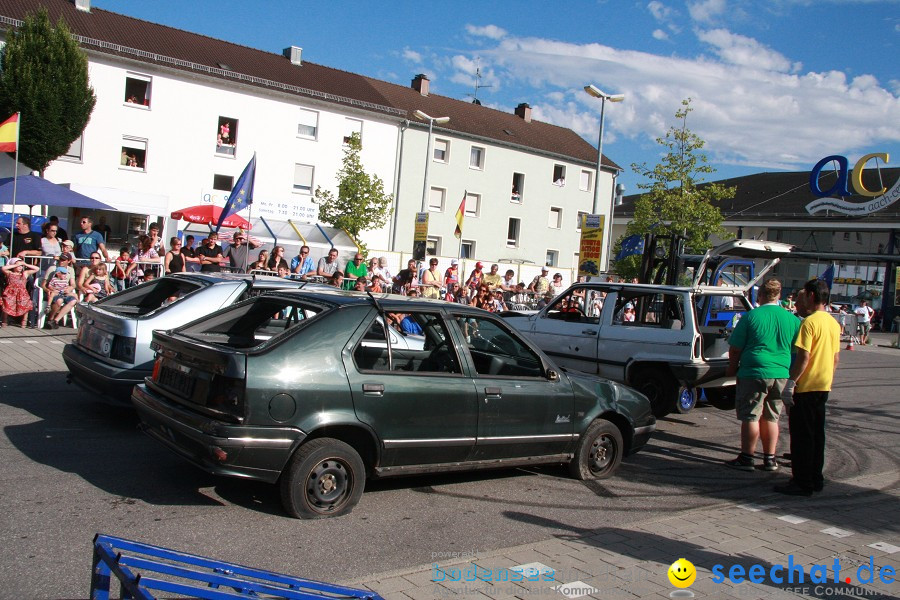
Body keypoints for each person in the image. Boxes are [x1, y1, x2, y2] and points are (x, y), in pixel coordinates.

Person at [724, 279, 800, 473]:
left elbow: (735, 348)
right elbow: (795, 349)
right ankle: (769, 459)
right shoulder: (792, 319)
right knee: (772, 417)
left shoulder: (751, 317)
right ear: (779, 296)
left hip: (754, 370)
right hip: (781, 372)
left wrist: (732, 369)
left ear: (760, 295)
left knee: (751, 415)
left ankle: (747, 457)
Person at [775, 279, 841, 496]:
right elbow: (835, 358)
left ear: (812, 296)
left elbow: (804, 356)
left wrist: (790, 384)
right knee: (816, 435)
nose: (800, 299)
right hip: (823, 385)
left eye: (803, 295)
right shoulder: (832, 323)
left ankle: (802, 482)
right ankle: (815, 477)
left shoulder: (809, 323)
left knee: (802, 437)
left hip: (806, 386)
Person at [1, 258, 39, 327]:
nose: (20, 267)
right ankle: (5, 320)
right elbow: (3, 268)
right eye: (18, 266)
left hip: (22, 293)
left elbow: (37, 269)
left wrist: (25, 264)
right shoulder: (9, 273)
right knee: (6, 302)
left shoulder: (24, 273)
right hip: (11, 292)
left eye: (21, 266)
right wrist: (15, 265)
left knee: (27, 303)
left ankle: (24, 321)